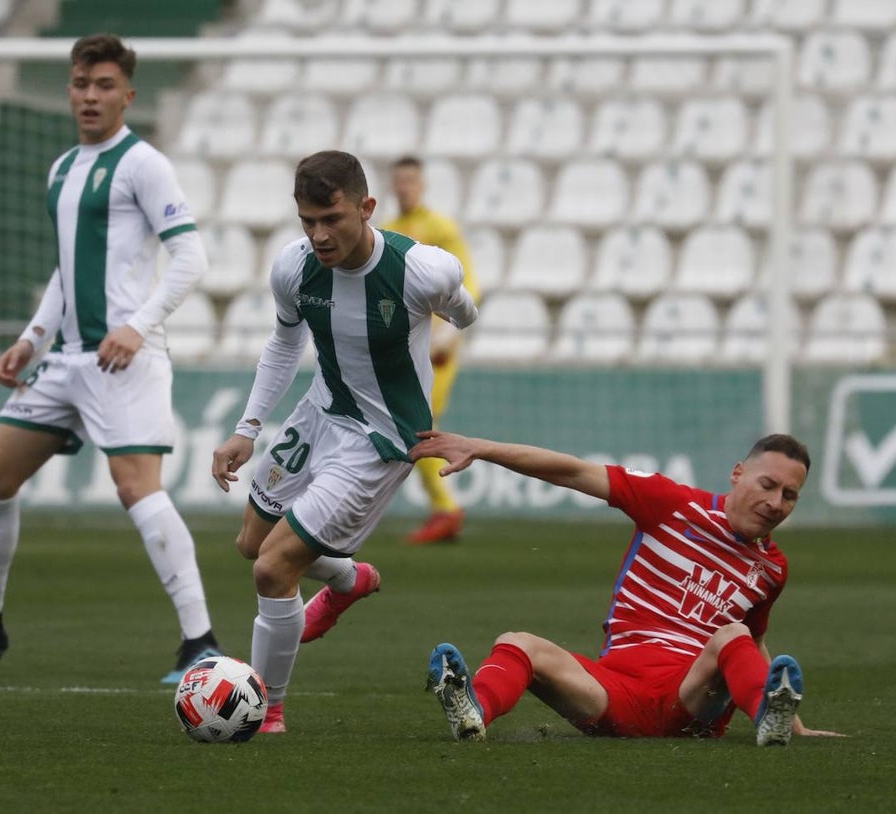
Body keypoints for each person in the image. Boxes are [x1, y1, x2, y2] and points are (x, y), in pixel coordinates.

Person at [0, 34, 223, 684]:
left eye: (104, 85)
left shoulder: (144, 164)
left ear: (128, 94)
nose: (89, 96)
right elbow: (67, 269)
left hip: (125, 363)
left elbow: (192, 256)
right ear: (69, 89)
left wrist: (136, 326)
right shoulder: (62, 169)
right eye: (81, 83)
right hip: (68, 361)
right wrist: (31, 337)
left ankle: (201, 641)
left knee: (137, 489)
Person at [211, 150, 478, 733]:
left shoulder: (420, 270)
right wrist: (246, 429)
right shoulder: (294, 267)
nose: (319, 234)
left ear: (367, 208)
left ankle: (265, 710)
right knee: (252, 545)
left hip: (380, 439)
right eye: (308, 221)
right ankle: (346, 578)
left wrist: (450, 309)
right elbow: (284, 345)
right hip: (319, 412)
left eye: (332, 218)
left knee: (272, 569)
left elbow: (464, 313)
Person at [410, 430, 845, 746]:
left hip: (690, 701)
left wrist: (795, 722)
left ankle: (771, 721)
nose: (775, 503)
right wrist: (480, 449)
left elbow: (755, 644)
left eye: (790, 495)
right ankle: (473, 712)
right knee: (517, 643)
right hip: (615, 691)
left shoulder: (772, 568)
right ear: (737, 474)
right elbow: (571, 470)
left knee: (734, 634)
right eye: (768, 485)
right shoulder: (671, 504)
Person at [382, 156, 480, 545]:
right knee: (413, 428)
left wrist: (450, 334)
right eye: (399, 179)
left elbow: (468, 281)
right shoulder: (388, 230)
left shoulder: (440, 228)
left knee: (419, 426)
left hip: (437, 344)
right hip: (406, 343)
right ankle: (444, 510)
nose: (404, 186)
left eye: (410, 180)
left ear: (421, 185)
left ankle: (447, 510)